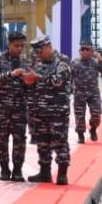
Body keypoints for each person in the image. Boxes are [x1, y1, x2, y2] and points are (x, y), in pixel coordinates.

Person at [0, 31, 33, 181]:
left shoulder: (26, 62)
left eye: (22, 46)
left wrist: (29, 82)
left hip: (19, 107)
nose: (19, 49)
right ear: (9, 44)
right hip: (0, 108)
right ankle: (4, 169)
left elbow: (30, 87)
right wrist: (10, 75)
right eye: (16, 45)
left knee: (19, 139)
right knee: (1, 139)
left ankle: (18, 170)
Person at [27, 37, 72, 185]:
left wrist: (37, 78)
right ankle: (45, 173)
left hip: (57, 111)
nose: (38, 55)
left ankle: (62, 174)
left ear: (48, 46)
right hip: (40, 111)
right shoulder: (39, 63)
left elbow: (58, 81)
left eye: (40, 51)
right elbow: (35, 86)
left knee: (60, 143)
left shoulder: (62, 61)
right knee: (43, 144)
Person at [72, 43, 102, 143]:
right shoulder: (75, 63)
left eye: (87, 49)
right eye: (82, 49)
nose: (84, 51)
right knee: (79, 115)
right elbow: (68, 77)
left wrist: (100, 59)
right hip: (79, 93)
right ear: (79, 51)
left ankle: (93, 129)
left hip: (93, 93)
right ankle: (80, 135)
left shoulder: (96, 62)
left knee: (97, 113)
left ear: (91, 51)